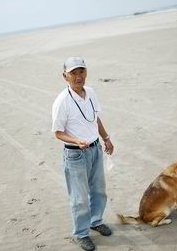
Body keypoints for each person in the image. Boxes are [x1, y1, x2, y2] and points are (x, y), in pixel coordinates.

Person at [52, 56, 114, 251]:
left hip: (95, 148)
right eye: (73, 73)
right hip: (75, 155)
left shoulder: (91, 93)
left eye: (81, 71)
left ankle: (96, 221)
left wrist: (106, 138)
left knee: (99, 191)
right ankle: (80, 234)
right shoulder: (62, 101)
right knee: (79, 198)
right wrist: (76, 141)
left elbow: (96, 118)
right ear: (65, 76)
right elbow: (58, 132)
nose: (78, 76)